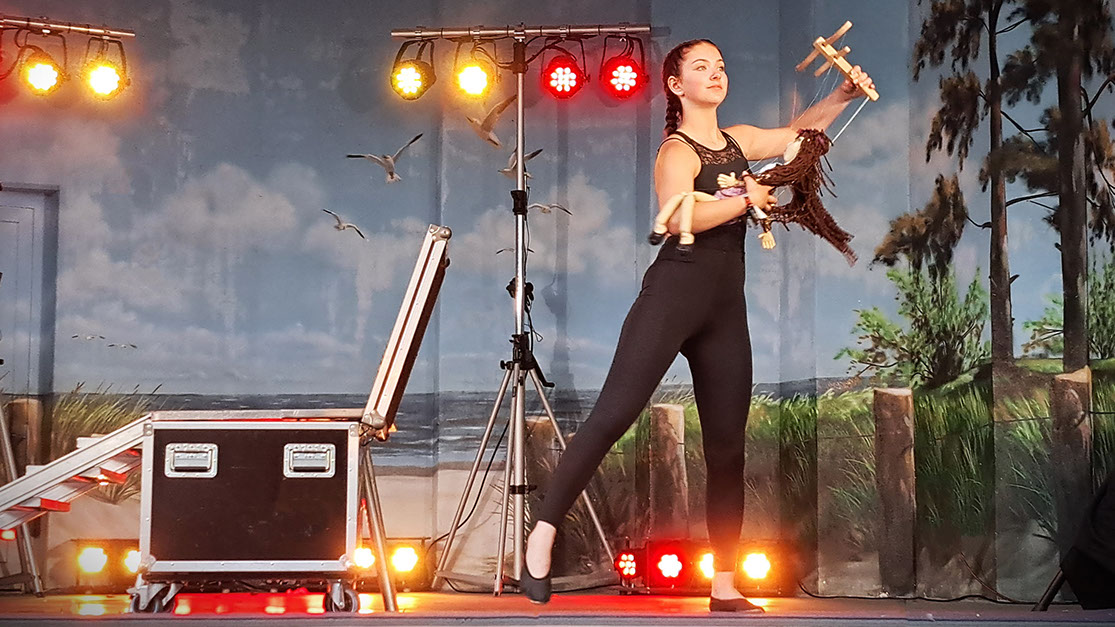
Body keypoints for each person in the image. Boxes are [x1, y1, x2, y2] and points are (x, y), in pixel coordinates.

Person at [520, 39, 875, 612]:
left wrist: (842, 94)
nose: (716, 74)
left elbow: (795, 135)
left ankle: (724, 585)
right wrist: (745, 199)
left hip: (724, 310)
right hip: (673, 295)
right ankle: (541, 534)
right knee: (612, 416)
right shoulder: (676, 151)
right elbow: (681, 212)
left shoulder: (737, 140)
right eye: (701, 67)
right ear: (676, 85)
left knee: (727, 450)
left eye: (721, 66)